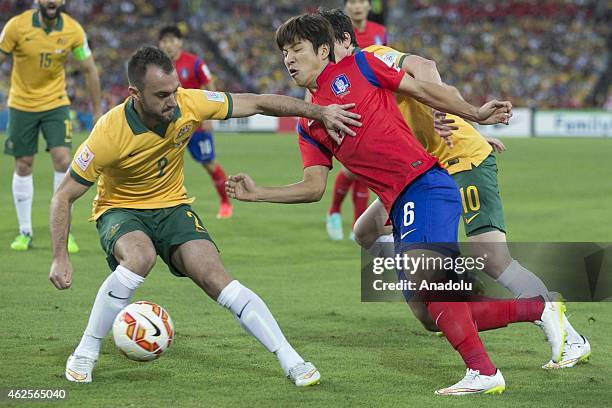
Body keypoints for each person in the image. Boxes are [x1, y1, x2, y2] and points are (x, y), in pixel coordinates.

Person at [226, 13, 568, 395]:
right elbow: (313, 187)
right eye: (283, 53)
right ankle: (539, 309)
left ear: (323, 50)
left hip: (426, 186)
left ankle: (484, 372)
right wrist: (259, 194)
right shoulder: (311, 123)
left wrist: (472, 114)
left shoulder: (362, 65)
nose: (288, 59)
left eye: (296, 50)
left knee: (431, 282)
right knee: (430, 314)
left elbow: (422, 86)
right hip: (398, 203)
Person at [49, 46, 361, 386]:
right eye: (162, 95)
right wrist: (59, 257)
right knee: (140, 257)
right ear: (135, 94)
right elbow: (63, 195)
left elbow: (257, 102)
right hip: (121, 209)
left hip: (173, 206)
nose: (173, 101)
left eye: (175, 90)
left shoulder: (188, 102)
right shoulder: (108, 133)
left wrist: (320, 112)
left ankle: (291, 359)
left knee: (215, 277)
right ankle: (86, 350)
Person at [317, 8, 591, 370]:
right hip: (422, 172)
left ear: (342, 42)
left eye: (322, 44)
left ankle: (569, 334)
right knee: (365, 230)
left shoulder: (371, 58)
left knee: (494, 259)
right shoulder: (344, 85)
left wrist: (441, 112)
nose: (316, 53)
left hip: (462, 161)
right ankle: (436, 278)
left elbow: (426, 67)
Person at [0, 0, 102, 252]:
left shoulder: (73, 30)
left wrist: (98, 111)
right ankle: (25, 231)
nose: (52, 1)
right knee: (23, 163)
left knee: (62, 158)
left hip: (55, 103)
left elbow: (89, 69)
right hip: (21, 104)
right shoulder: (17, 26)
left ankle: (64, 231)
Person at [324, 0, 388, 241]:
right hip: (342, 100)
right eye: (353, 1)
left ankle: (354, 222)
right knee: (354, 167)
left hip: (371, 101)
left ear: (369, 6)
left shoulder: (379, 32)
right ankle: (335, 213)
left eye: (362, 1)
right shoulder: (334, 30)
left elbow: (383, 63)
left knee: (362, 168)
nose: (358, 6)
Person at [159, 25, 233, 219]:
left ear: (180, 42)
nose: (169, 45)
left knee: (208, 163)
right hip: (169, 127)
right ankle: (162, 207)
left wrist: (210, 116)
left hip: (197, 125)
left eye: (173, 40)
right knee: (161, 166)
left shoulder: (195, 63)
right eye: (165, 41)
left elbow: (211, 88)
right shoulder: (158, 66)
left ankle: (225, 202)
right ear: (160, 44)